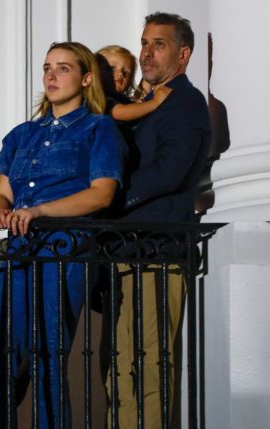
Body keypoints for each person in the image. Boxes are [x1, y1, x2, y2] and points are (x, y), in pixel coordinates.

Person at [0, 42, 123, 428]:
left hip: (65, 250)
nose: (51, 76)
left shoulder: (99, 127)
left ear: (86, 78)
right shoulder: (22, 133)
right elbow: (4, 190)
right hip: (18, 250)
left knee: (48, 353)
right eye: (47, 68)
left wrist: (40, 210)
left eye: (63, 68)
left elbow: (102, 192)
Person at [104, 12, 211, 429]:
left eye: (159, 44)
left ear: (183, 55)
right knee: (118, 367)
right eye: (144, 43)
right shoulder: (136, 105)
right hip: (124, 251)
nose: (147, 52)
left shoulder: (186, 102)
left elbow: (170, 171)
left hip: (158, 251)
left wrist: (110, 198)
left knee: (147, 365)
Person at [97, 45, 173, 122]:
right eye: (111, 68)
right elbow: (124, 113)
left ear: (129, 83)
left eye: (126, 72)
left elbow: (138, 102)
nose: (120, 74)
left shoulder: (120, 99)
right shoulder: (100, 99)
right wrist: (155, 102)